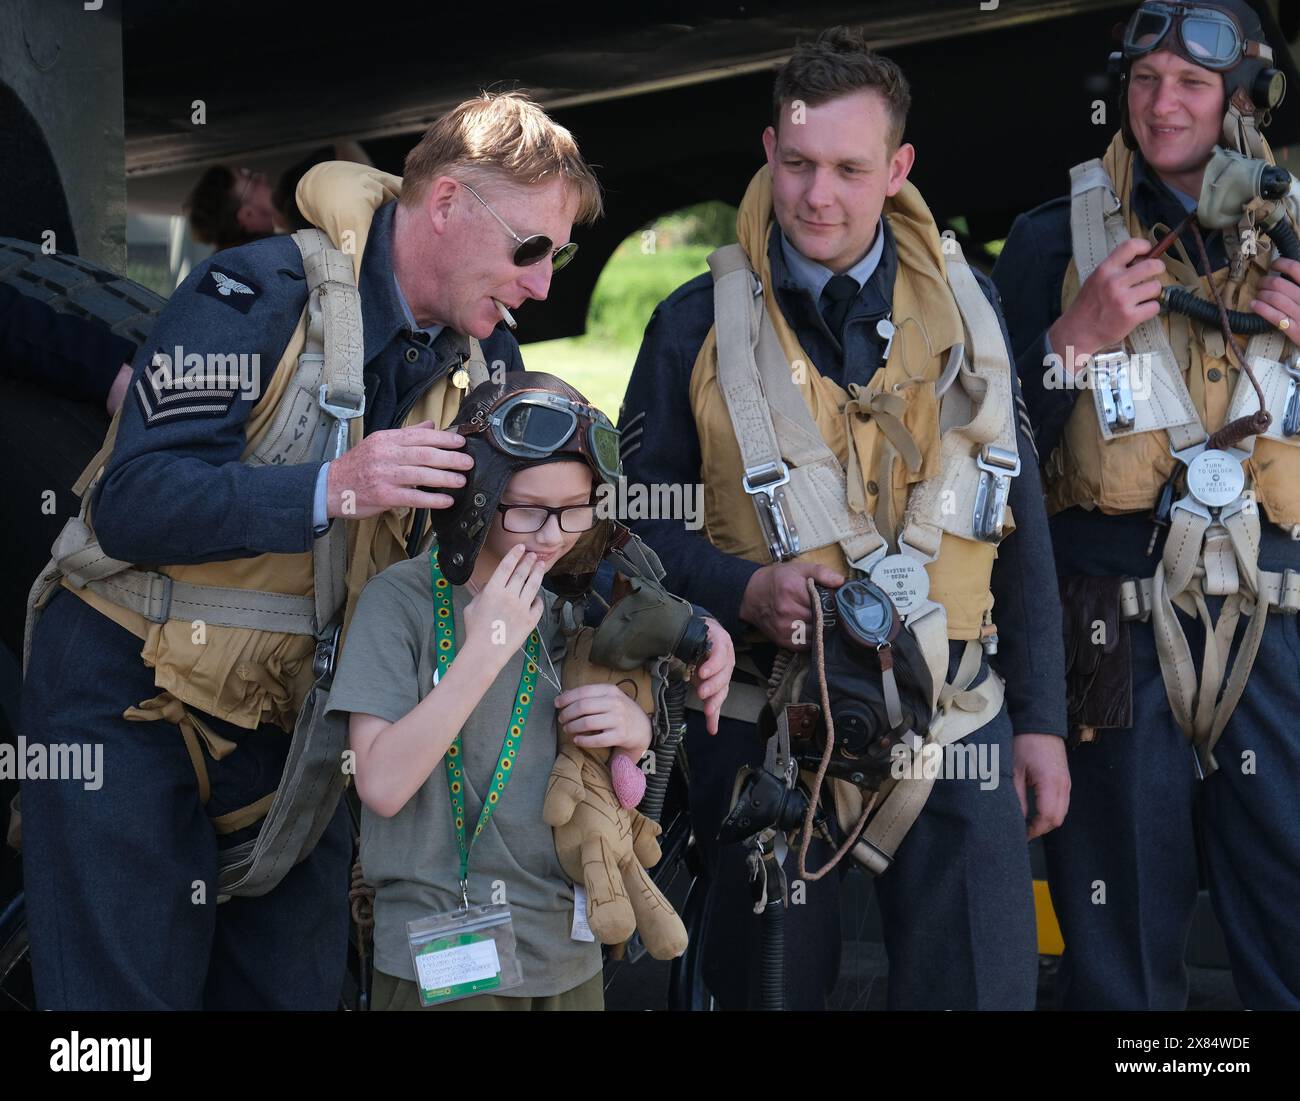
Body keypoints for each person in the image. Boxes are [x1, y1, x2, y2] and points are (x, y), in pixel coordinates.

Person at [19, 91, 603, 1010]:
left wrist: (683, 631)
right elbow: (132, 501)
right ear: (446, 203)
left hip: (300, 735)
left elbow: (563, 512)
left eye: (557, 255)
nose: (542, 282)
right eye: (529, 249)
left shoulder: (485, 365)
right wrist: (334, 488)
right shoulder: (254, 294)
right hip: (130, 703)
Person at [619, 26, 1069, 1010]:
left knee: (983, 992)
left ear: (898, 167)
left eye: (849, 169)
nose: (818, 195)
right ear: (767, 152)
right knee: (766, 993)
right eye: (797, 164)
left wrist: (1039, 724)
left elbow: (1019, 528)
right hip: (765, 727)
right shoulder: (690, 325)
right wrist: (743, 589)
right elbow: (629, 533)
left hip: (958, 719)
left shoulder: (972, 312)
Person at [993, 0, 1300, 1010]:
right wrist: (1068, 343)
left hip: (1278, 631)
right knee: (1116, 938)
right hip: (1110, 635)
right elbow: (978, 459)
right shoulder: (1048, 246)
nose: (1161, 103)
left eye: (1192, 83)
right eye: (1143, 80)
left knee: (1286, 916)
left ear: (1242, 98)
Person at [327, 372, 733, 1011]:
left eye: (575, 509)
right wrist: (482, 651)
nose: (552, 535)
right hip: (440, 950)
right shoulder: (399, 603)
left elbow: (616, 773)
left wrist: (632, 731)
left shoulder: (571, 605)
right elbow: (379, 783)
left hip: (562, 946)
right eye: (527, 510)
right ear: (476, 499)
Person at [185, 164, 282, 252]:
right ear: (247, 214)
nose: (263, 177)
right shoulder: (277, 260)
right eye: (254, 180)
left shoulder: (230, 264)